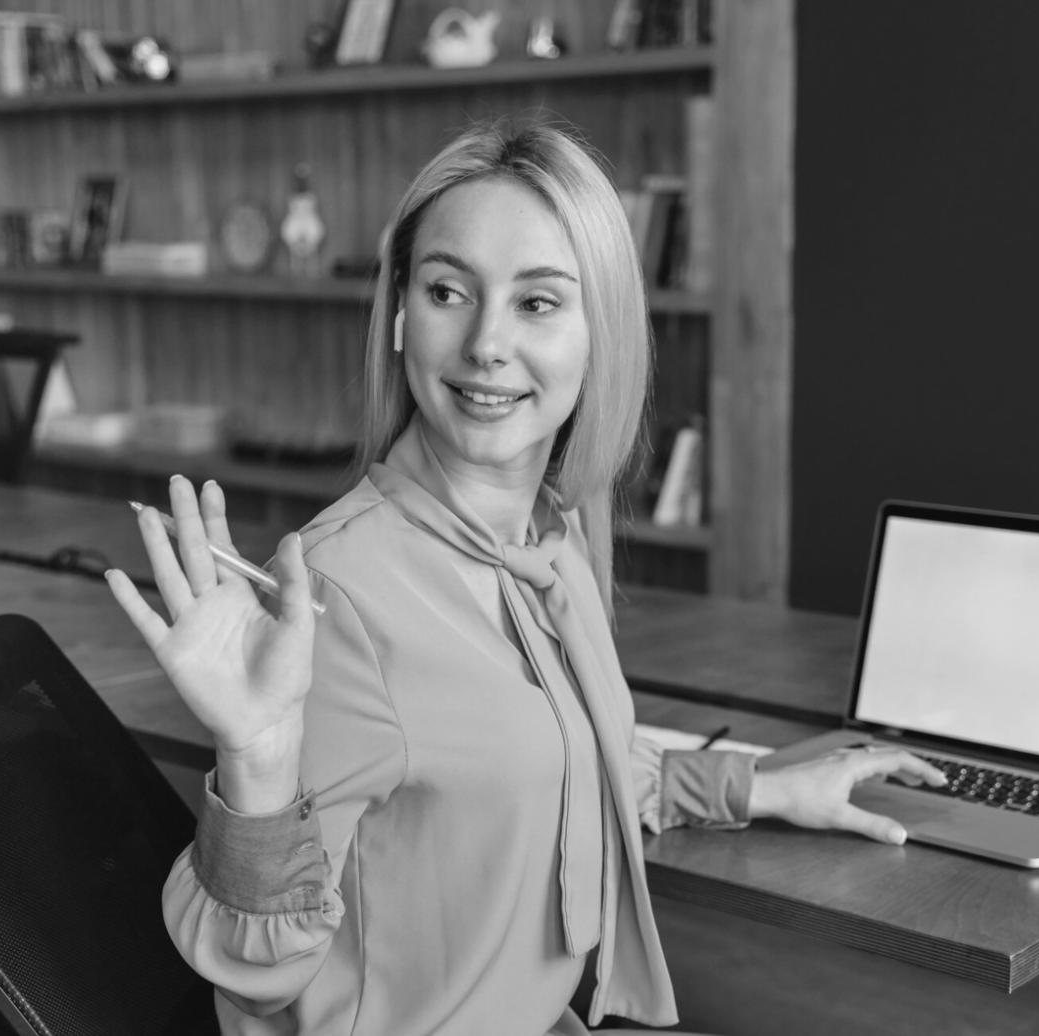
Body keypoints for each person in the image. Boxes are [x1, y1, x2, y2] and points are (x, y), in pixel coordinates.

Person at [106, 117, 944, 1036]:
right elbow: (255, 977)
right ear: (397, 314)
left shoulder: (553, 540)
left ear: (601, 335)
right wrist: (257, 762)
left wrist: (763, 789)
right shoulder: (337, 600)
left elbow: (559, 763)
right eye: (446, 291)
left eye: (538, 302)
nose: (486, 344)